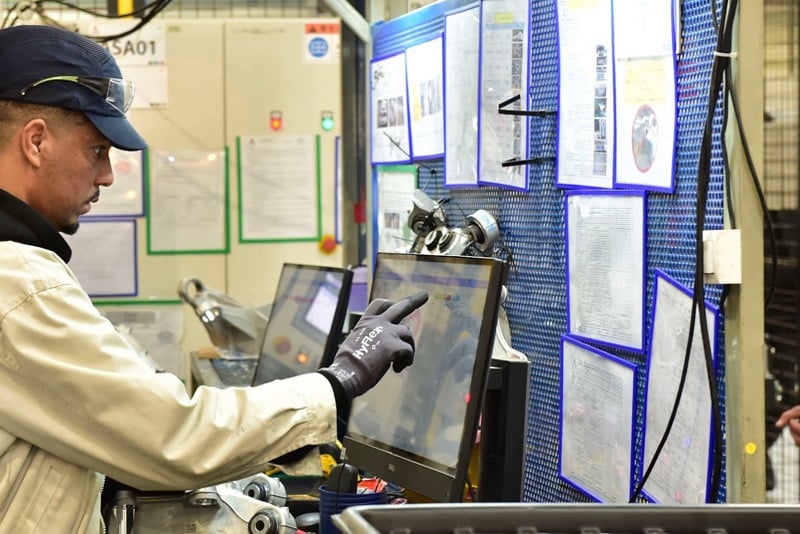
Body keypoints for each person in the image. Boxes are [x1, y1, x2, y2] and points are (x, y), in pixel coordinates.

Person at [0, 24, 428, 532]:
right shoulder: (19, 284)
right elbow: (172, 436)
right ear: (36, 142)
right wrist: (341, 381)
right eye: (97, 150)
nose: (108, 175)